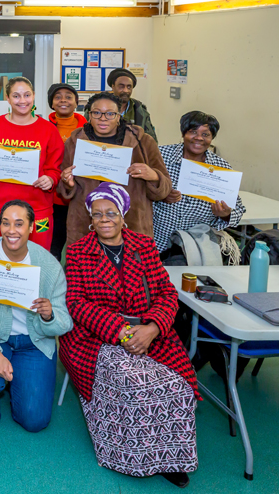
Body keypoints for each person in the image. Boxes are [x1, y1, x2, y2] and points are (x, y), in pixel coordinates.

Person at [58, 183, 198, 488]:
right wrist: (121, 333)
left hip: (150, 332)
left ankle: (171, 457)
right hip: (95, 336)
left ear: (124, 215)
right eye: (98, 215)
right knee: (136, 381)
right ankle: (130, 455)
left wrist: (153, 329)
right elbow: (76, 303)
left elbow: (166, 293)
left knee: (178, 384)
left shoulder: (144, 246)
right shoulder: (79, 250)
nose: (105, 219)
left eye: (111, 213)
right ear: (91, 219)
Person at [0, 200, 71, 431]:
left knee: (35, 421)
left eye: (19, 224)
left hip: (34, 342)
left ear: (32, 228)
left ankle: (14, 381)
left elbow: (64, 322)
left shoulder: (49, 266)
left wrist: (49, 316)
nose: (12, 230)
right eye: (6, 223)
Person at [58, 92, 171, 247]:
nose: (103, 118)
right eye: (97, 113)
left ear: (119, 116)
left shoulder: (143, 141)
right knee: (86, 270)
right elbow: (61, 186)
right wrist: (67, 183)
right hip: (85, 226)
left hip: (132, 225)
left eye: (110, 114)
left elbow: (165, 188)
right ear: (89, 115)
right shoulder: (74, 142)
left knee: (131, 270)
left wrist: (153, 176)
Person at [0, 77, 65, 250]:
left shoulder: (48, 130)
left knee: (37, 259)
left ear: (34, 96)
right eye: (16, 96)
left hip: (37, 208)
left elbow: (56, 169)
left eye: (27, 95)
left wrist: (51, 179)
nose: (22, 101)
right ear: (8, 99)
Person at [154, 111, 246, 257]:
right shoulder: (160, 156)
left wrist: (225, 214)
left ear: (211, 138)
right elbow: (138, 191)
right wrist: (159, 194)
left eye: (205, 134)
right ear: (183, 133)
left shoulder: (221, 168)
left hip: (196, 250)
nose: (199, 138)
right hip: (156, 243)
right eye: (193, 132)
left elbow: (239, 209)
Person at [46, 83, 87, 259]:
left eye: (69, 97)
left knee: (80, 246)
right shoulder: (43, 127)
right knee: (52, 245)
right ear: (52, 104)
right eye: (58, 97)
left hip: (79, 197)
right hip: (51, 199)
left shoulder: (89, 129)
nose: (63, 100)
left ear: (76, 102)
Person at [107, 68, 157, 142]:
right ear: (113, 86)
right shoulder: (98, 107)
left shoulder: (140, 110)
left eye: (129, 87)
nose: (125, 90)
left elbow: (151, 140)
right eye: (121, 86)